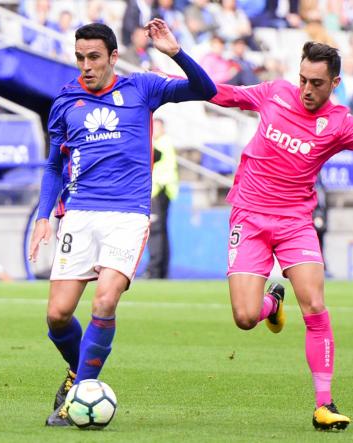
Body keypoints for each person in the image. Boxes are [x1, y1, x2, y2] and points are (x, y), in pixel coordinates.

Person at [208, 42, 353, 431]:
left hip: (296, 221)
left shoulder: (339, 122)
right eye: (302, 80)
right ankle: (271, 304)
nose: (306, 89)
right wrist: (176, 58)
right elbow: (223, 93)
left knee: (315, 306)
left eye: (316, 83)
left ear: (335, 82)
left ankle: (324, 405)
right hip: (249, 217)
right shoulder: (275, 93)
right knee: (246, 317)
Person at [28, 20, 215, 426]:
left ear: (113, 57)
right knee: (58, 316)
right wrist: (44, 215)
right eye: (80, 58)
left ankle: (77, 397)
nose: (86, 65)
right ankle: (79, 370)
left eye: (94, 57)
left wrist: (175, 52)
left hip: (127, 215)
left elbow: (206, 90)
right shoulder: (64, 102)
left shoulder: (142, 88)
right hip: (78, 213)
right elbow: (53, 165)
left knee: (105, 300)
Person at [146, 118, 178, 279]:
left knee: (156, 232)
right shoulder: (167, 143)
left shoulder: (160, 144)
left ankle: (154, 270)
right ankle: (161, 270)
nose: (154, 130)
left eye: (156, 127)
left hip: (158, 190)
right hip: (164, 191)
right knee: (161, 232)